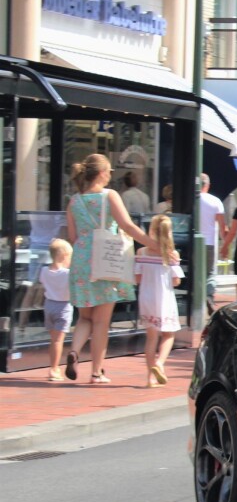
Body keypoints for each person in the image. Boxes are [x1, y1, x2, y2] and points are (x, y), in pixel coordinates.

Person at [64, 153, 159, 384]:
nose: (110, 176)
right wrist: (156, 245)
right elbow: (128, 225)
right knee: (101, 322)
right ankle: (96, 372)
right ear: (102, 172)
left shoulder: (74, 201)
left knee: (85, 317)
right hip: (106, 259)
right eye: (109, 172)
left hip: (82, 260)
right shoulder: (110, 196)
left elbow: (73, 237)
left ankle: (74, 352)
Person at [135, 214, 184, 388]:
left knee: (151, 338)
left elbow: (138, 278)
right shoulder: (171, 255)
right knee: (168, 334)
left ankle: (150, 378)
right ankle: (160, 363)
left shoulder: (141, 252)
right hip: (165, 298)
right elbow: (176, 280)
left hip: (146, 297)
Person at [39, 239, 73, 381]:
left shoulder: (44, 270)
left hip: (49, 305)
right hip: (63, 307)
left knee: (53, 340)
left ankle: (54, 366)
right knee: (58, 341)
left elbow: (42, 284)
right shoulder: (67, 273)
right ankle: (54, 369)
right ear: (65, 255)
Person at [197, 172, 227, 313]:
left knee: (196, 272)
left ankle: (196, 300)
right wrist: (225, 244)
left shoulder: (192, 199)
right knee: (210, 274)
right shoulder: (215, 201)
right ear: (207, 185)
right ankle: (208, 296)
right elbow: (222, 227)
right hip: (210, 243)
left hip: (194, 243)